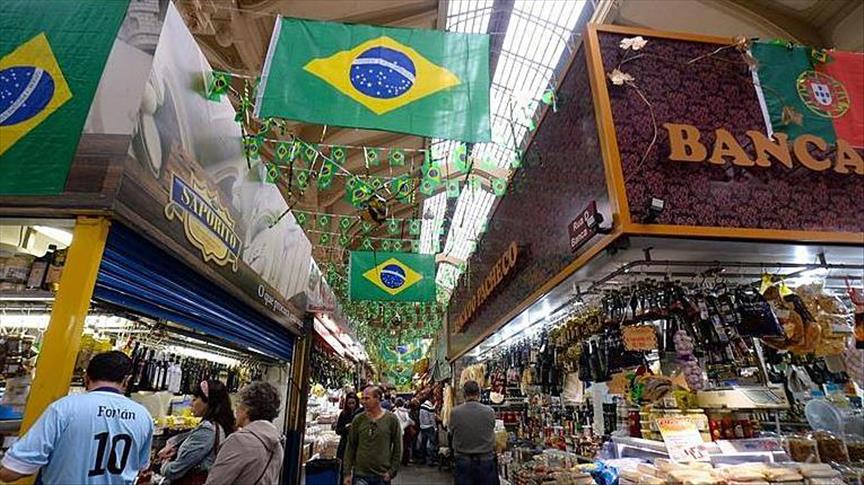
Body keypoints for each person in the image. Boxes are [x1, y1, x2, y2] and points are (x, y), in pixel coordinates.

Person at [0, 351, 154, 484]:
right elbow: (141, 467)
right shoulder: (143, 416)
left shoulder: (65, 408)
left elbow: (12, 471)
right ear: (127, 380)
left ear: (87, 377)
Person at [204, 382, 284, 485]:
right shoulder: (277, 444)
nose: (235, 410)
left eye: (238, 404)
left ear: (246, 410)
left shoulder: (239, 441)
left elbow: (215, 482)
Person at [157, 380, 235, 484]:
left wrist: (164, 463)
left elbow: (174, 471)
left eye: (195, 399)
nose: (191, 403)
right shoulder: (219, 426)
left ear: (208, 402)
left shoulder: (206, 430)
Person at [343, 386, 401, 485]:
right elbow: (351, 446)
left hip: (382, 475)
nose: (363, 402)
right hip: (360, 475)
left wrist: (392, 471)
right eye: (362, 398)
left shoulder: (391, 419)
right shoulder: (358, 419)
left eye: (367, 398)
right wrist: (347, 472)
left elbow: (398, 446)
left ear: (377, 398)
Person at [449, 380, 499, 485]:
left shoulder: (455, 412)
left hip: (463, 461)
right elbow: (492, 429)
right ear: (479, 393)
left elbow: (451, 433)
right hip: (485, 460)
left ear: (464, 394)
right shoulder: (489, 411)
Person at [335, 394, 361, 476]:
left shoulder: (361, 414)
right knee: (344, 469)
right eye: (349, 403)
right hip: (345, 445)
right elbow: (338, 430)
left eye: (353, 403)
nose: (351, 406)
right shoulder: (343, 414)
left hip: (358, 445)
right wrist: (346, 428)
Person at [392, 399, 414, 466]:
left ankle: (398, 459)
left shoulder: (394, 412)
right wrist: (411, 423)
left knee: (398, 445)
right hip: (406, 430)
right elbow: (408, 420)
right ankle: (405, 461)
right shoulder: (405, 412)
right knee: (406, 446)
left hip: (398, 430)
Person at [418, 398, 438, 466]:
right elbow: (432, 419)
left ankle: (422, 459)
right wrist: (435, 428)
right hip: (429, 427)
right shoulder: (430, 407)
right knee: (432, 443)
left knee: (423, 443)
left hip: (422, 426)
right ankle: (431, 460)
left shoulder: (422, 406)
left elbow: (420, 417)